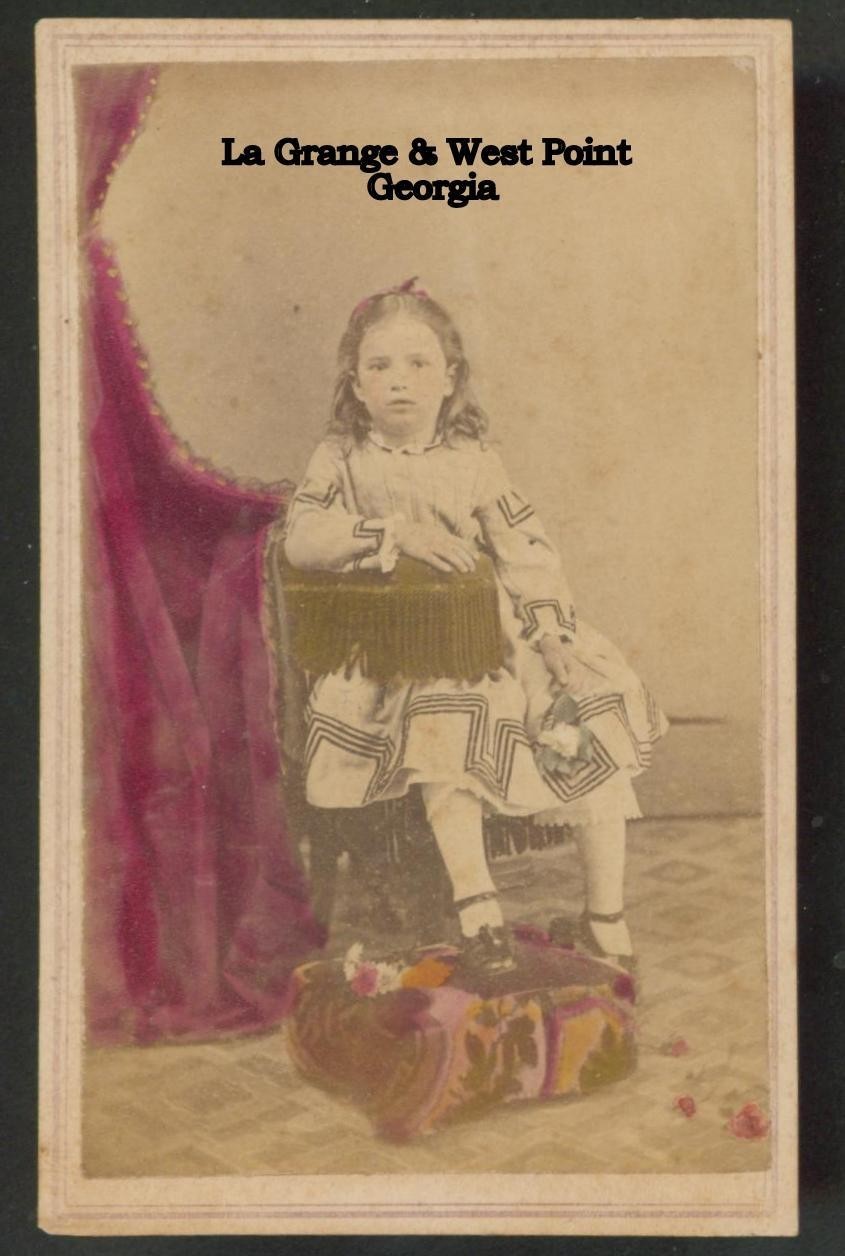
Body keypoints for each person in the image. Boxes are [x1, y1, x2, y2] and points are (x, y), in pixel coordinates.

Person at [282, 279, 667, 976]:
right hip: (392, 651)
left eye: (418, 364)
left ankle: (606, 920)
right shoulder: (341, 457)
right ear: (357, 384)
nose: (399, 381)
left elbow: (526, 550)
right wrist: (394, 533)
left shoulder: (473, 460)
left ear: (450, 378)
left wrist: (550, 635)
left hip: (487, 636)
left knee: (585, 709)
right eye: (379, 366)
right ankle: (479, 911)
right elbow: (303, 538)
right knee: (444, 725)